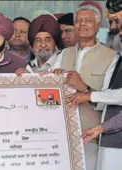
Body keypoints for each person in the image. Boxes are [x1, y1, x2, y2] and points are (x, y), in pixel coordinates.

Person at [53, 2, 120, 170]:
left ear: (98, 27)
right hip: (60, 136)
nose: (82, 24)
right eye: (79, 20)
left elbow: (111, 100)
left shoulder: (112, 57)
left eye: (88, 20)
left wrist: (84, 88)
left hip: (91, 136)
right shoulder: (63, 54)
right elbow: (46, 85)